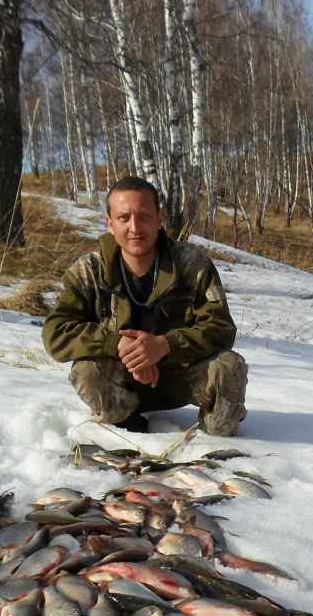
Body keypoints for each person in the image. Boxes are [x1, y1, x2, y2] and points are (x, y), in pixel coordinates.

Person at [42, 175, 248, 435]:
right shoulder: (88, 270)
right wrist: (117, 344)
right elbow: (55, 332)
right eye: (124, 218)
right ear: (109, 223)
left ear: (159, 219)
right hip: (121, 384)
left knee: (229, 366)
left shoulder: (191, 264)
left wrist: (165, 346)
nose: (135, 227)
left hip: (181, 378)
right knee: (87, 371)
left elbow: (221, 328)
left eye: (144, 216)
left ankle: (215, 435)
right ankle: (124, 425)